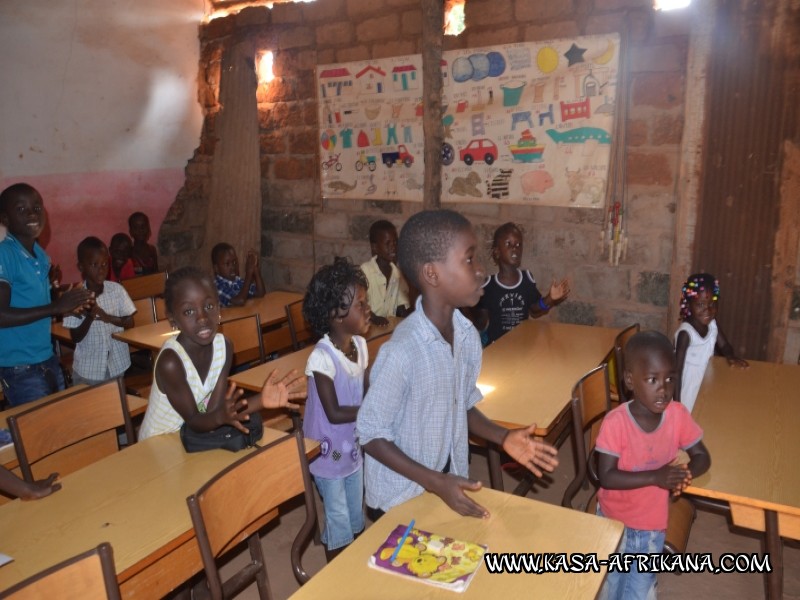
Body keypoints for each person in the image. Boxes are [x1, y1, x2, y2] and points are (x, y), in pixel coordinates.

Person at [356, 209, 559, 520]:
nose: (480, 271)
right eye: (469, 260)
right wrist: (436, 482)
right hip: (401, 496)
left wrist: (502, 437)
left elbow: (460, 403)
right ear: (432, 274)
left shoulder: (465, 336)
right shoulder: (403, 351)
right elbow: (370, 433)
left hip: (445, 478)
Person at [596, 331, 711, 600]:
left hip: (651, 526)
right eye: (652, 380)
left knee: (639, 592)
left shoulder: (677, 415)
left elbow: (703, 457)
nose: (663, 388)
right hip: (614, 522)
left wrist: (683, 475)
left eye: (670, 378)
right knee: (608, 588)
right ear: (630, 381)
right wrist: (656, 477)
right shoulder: (616, 423)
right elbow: (607, 477)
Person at [138, 267, 303, 440]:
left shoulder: (224, 347)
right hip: (157, 445)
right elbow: (195, 420)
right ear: (172, 319)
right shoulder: (171, 362)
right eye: (189, 311)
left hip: (193, 440)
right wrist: (220, 416)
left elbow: (214, 413)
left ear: (219, 308)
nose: (202, 318)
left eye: (209, 306)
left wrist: (261, 400)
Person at [302, 257, 372, 562]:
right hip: (327, 450)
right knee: (338, 513)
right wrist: (371, 409)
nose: (368, 309)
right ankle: (336, 574)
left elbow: (365, 389)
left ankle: (351, 561)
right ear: (336, 315)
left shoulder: (360, 345)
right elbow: (333, 412)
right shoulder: (322, 359)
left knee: (354, 511)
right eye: (360, 304)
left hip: (353, 448)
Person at [0, 183, 94, 406]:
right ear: (4, 218)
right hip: (19, 366)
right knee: (40, 433)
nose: (32, 213)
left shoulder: (40, 255)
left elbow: (35, 301)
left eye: (37, 207)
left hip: (46, 356)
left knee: (58, 426)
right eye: (21, 209)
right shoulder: (5, 254)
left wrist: (66, 301)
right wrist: (55, 308)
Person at [471, 222, 570, 346]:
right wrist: (470, 302)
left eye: (518, 245)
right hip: (497, 347)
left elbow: (534, 311)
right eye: (509, 244)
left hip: (522, 345)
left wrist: (550, 299)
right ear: (497, 252)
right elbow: (481, 322)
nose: (515, 248)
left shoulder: (526, 279)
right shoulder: (488, 285)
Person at [62, 237, 136, 386]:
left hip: (117, 364)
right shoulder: (75, 297)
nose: (101, 270)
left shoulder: (117, 290)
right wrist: (90, 316)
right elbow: (75, 337)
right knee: (93, 408)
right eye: (94, 265)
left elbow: (130, 322)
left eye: (104, 264)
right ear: (81, 267)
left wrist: (106, 316)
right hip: (88, 370)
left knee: (116, 407)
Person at [674, 273, 749, 412]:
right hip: (689, 390)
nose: (708, 310)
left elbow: (725, 345)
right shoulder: (686, 333)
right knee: (691, 420)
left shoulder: (712, 324)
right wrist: (676, 405)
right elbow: (676, 372)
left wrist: (731, 357)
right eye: (700, 304)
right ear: (688, 304)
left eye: (712, 303)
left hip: (706, 381)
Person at [360, 220, 411, 327]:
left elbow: (401, 306)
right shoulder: (365, 271)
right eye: (387, 243)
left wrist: (411, 319)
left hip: (386, 329)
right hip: (368, 329)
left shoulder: (397, 273)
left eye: (395, 242)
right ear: (375, 247)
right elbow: (360, 304)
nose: (393, 247)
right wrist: (374, 318)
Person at [211, 242, 266, 308]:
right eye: (227, 264)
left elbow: (261, 294)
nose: (233, 267)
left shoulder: (238, 281)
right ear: (216, 268)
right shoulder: (216, 287)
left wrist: (255, 269)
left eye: (234, 262)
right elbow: (239, 301)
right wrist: (249, 274)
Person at [128, 211, 159, 276]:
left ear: (148, 229)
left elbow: (156, 273)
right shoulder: (129, 253)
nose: (140, 230)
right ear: (131, 232)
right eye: (136, 228)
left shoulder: (152, 250)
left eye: (143, 226)